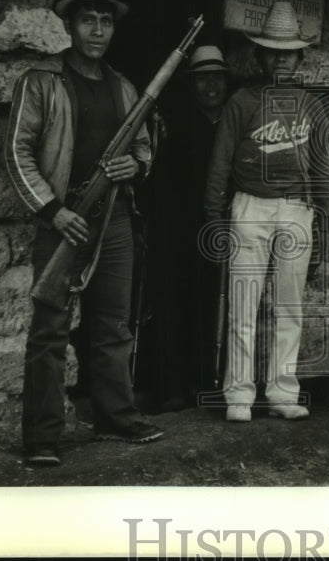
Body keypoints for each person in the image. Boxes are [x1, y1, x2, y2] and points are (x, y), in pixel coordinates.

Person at [5, 0, 163, 466]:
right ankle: (43, 437)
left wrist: (133, 165)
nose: (97, 29)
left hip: (114, 219)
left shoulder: (124, 87)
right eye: (87, 19)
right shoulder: (40, 82)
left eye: (105, 21)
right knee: (50, 329)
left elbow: (144, 151)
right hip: (64, 219)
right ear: (69, 26)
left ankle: (116, 418)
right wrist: (53, 211)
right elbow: (16, 152)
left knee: (113, 325)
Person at [204, 2, 314, 423]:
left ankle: (283, 392)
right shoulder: (241, 101)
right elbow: (220, 163)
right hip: (249, 206)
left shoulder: (308, 103)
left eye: (288, 52)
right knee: (244, 304)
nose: (281, 59)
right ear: (260, 56)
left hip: (296, 209)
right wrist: (214, 216)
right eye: (273, 51)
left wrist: (312, 208)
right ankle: (239, 395)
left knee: (289, 306)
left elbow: (318, 161)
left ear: (299, 57)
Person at [140, 45, 231, 411]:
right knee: (175, 301)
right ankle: (171, 386)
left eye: (217, 77)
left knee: (214, 303)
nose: (211, 85)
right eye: (202, 78)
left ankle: (204, 381)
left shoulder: (233, 121)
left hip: (220, 226)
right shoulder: (178, 123)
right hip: (180, 230)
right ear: (191, 85)